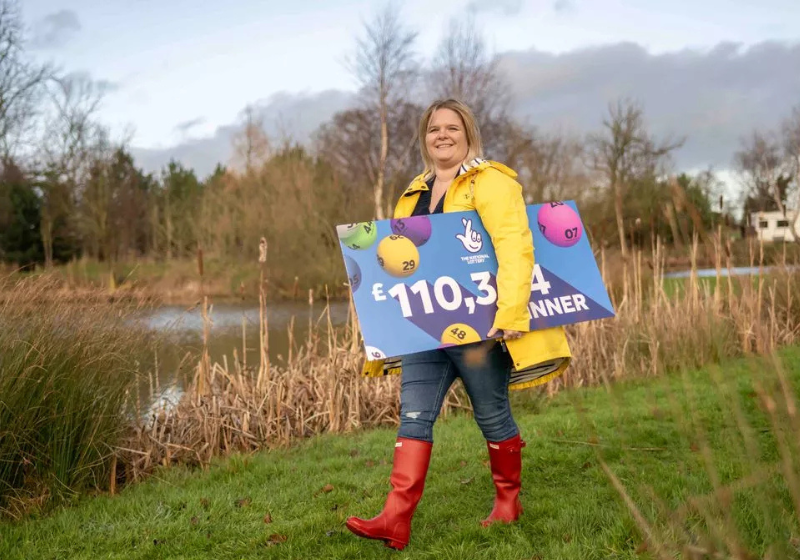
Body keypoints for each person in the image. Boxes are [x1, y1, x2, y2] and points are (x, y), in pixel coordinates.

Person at [345, 99, 572, 551]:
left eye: (452, 127)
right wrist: (384, 318)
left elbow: (514, 246)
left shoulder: (492, 182)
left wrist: (511, 313)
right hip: (424, 327)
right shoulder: (412, 193)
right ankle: (395, 517)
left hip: (480, 329)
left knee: (491, 414)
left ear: (468, 134)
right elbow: (397, 262)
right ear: (425, 137)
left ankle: (508, 503)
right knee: (413, 414)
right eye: (434, 129)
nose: (442, 135)